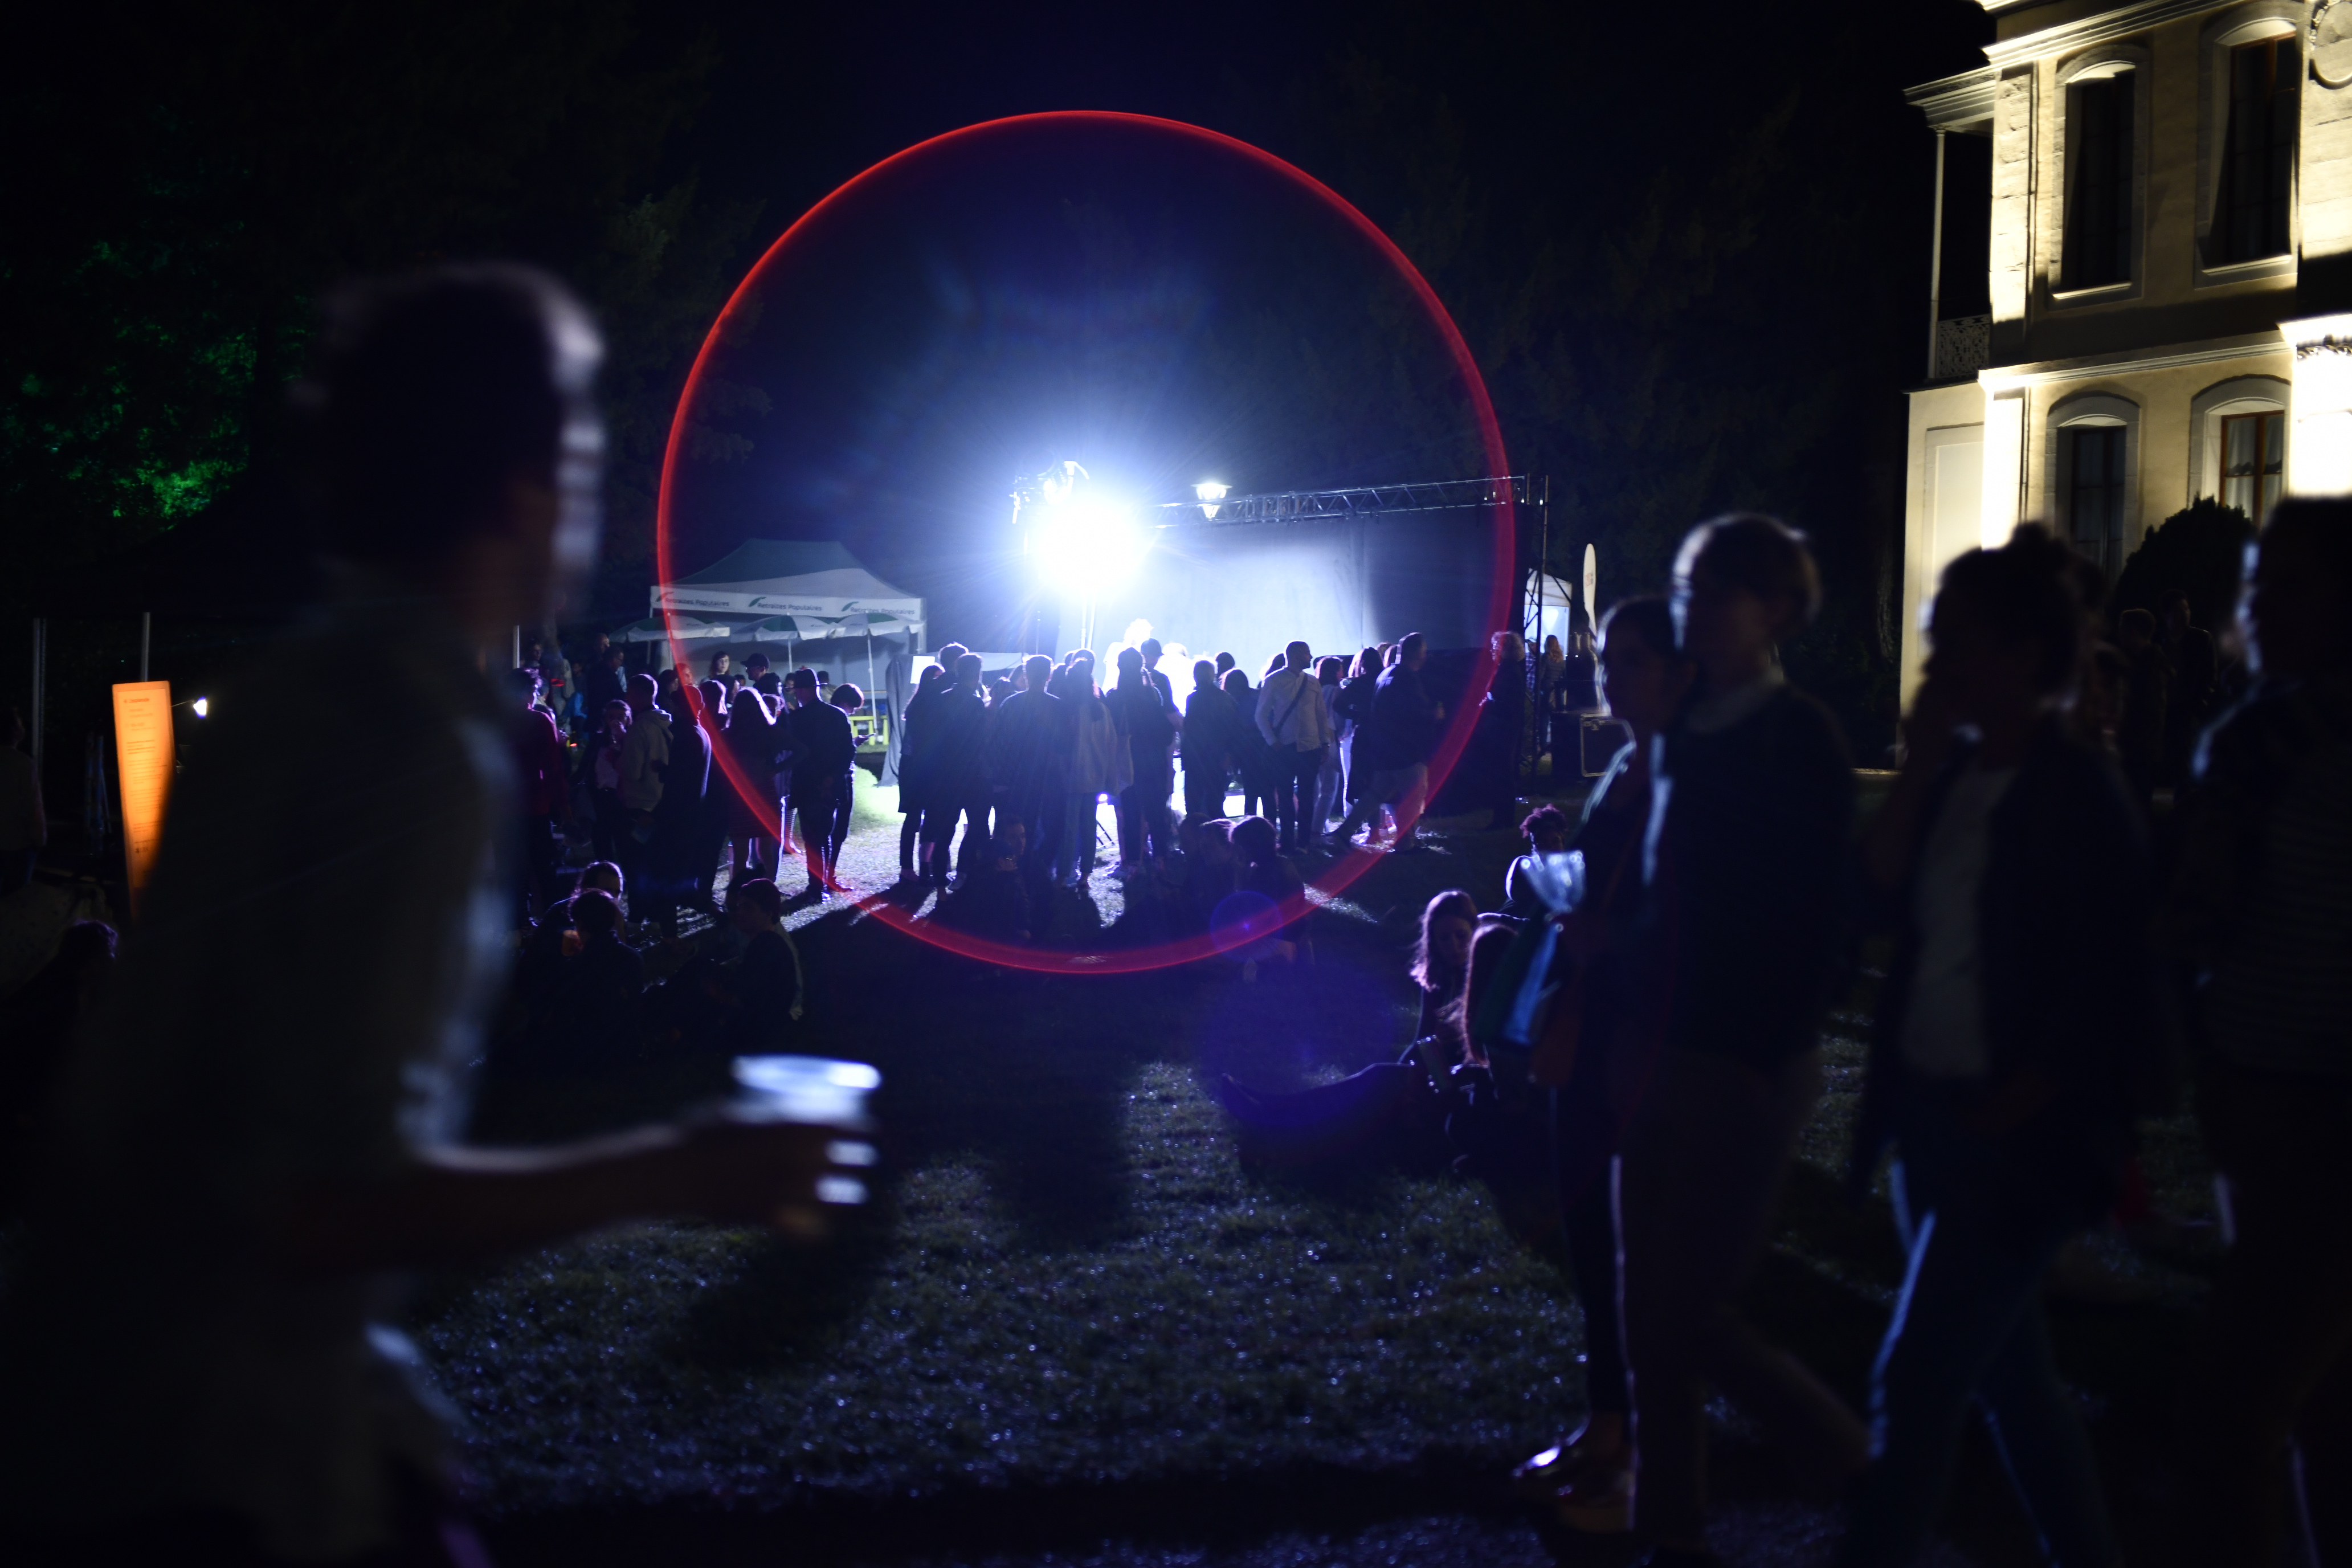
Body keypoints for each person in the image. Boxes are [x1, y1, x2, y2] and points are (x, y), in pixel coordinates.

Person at [0, 265, 855, 1564]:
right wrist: (683, 1169)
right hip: (206, 1469)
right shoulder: (411, 742)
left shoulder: (296, 696)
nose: (588, 502)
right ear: (516, 489)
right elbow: (317, 1200)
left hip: (109, 1408)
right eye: (578, 459)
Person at [1838, 529, 2169, 1568]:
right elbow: (1868, 900)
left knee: (1914, 1379)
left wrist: (2010, 1109)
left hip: (2017, 1142)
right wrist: (1918, 766)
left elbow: (2108, 988)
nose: (1936, 665)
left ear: (2024, 655)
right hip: (1934, 1124)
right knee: (2013, 1383)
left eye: (1955, 643)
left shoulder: (2080, 794)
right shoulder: (1953, 777)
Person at [1612, 515, 1869, 1566]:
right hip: (1659, 1046)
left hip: (1742, 1060)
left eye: (1720, 590)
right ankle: (1669, 1526)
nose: (1699, 609)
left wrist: (1769, 1046)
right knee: (1645, 1310)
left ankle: (1848, 1456)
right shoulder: (1685, 725)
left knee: (1688, 1309)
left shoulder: (1797, 735)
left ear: (1778, 609)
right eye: (1689, 589)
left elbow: (1823, 912)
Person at [2163, 496, 2352, 1568]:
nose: (2261, 604)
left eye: (2293, 586)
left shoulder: (2277, 743)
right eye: (2256, 582)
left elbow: (2201, 912)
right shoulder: (2264, 730)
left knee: (2230, 1414)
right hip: (2257, 1102)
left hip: (2314, 1123)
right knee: (2323, 1407)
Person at [1510, 595, 1693, 1536]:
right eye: (1607, 659)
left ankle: (1638, 1460)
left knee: (1636, 1254)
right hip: (1583, 1032)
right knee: (1589, 1234)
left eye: (1631, 662)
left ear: (1679, 673)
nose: (1610, 676)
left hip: (1636, 1040)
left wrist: (1604, 935)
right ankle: (1606, 1424)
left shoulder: (1684, 780)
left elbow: (1688, 924)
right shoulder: (1625, 768)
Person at [1217, 889, 1477, 1159]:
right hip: (1433, 1075)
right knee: (1379, 1079)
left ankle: (1276, 1121)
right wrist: (1404, 1070)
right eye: (1444, 938)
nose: (1454, 946)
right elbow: (1420, 1042)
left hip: (1463, 1087)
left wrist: (1460, 1037)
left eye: (1461, 936)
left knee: (1380, 1085)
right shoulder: (1439, 980)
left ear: (1473, 932)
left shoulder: (1482, 977)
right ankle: (1272, 1107)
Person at [1334, 631, 1446, 851]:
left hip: (1385, 749)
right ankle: (1406, 842)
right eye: (1424, 652)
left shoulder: (1386, 674)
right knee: (1413, 795)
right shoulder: (1407, 678)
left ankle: (1344, 833)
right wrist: (1433, 714)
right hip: (1406, 750)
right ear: (1418, 654)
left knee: (1376, 794)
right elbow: (1410, 713)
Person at [986, 655, 1069, 888]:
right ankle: (1036, 870)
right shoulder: (1058, 707)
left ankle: (1010, 869)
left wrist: (1000, 773)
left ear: (1026, 675)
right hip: (1048, 779)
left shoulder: (1011, 704)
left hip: (1015, 778)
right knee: (1049, 829)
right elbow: (1065, 746)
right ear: (1049, 675)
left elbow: (998, 742)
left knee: (1013, 828)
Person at [1055, 655, 1128, 887]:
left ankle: (1063, 874)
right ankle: (1085, 875)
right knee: (1089, 826)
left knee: (1069, 829)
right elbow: (1111, 744)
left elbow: (1062, 746)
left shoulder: (1069, 712)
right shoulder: (1102, 711)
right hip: (1096, 777)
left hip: (1073, 777)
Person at [1256, 639, 1334, 854]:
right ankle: (1289, 843)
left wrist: (1325, 743)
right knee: (1286, 797)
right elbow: (1261, 714)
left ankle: (1303, 843)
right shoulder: (1273, 680)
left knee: (1307, 797)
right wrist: (1273, 742)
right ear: (1296, 655)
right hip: (1286, 747)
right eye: (1307, 653)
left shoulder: (1313, 682)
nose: (1311, 657)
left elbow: (1321, 715)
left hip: (1310, 747)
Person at [508, 666, 571, 924]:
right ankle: (553, 922)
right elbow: (553, 769)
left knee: (513, 871)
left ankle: (518, 925)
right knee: (545, 868)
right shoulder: (539, 721)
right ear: (526, 692)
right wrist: (564, 805)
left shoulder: (497, 722)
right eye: (535, 691)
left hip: (505, 809)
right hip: (535, 806)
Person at [921, 651, 990, 884]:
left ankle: (941, 884)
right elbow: (980, 741)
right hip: (971, 775)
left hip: (945, 776)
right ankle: (966, 874)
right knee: (978, 827)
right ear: (977, 674)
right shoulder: (975, 703)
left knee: (944, 832)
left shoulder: (941, 699)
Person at [785, 668, 855, 895]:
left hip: (806, 784)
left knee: (812, 837)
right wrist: (833, 777)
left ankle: (817, 886)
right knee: (824, 835)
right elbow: (848, 751)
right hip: (829, 785)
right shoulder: (837, 715)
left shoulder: (795, 719)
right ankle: (822, 883)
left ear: (801, 691)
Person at [1110, 647, 1177, 872]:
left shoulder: (1115, 697)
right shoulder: (1152, 695)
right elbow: (1166, 732)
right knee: (1156, 813)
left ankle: (1134, 864)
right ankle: (1161, 860)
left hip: (1128, 761)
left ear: (1120, 667)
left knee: (1130, 814)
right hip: (1154, 761)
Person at [2157, 586, 2218, 788]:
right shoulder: (2158, 640)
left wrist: (2199, 704)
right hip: (2161, 708)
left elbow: (2210, 676)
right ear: (2166, 614)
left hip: (2187, 708)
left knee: (2184, 761)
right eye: (2178, 610)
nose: (2184, 614)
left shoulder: (2202, 639)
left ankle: (2182, 800)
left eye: (2186, 609)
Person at [724, 681, 781, 891]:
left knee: (741, 852)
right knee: (765, 850)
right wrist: (776, 768)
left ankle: (738, 893)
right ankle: (767, 891)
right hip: (764, 792)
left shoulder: (728, 735)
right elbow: (801, 750)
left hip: (740, 795)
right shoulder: (768, 732)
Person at [2114, 606, 2170, 806]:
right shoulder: (2145, 662)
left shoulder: (2150, 666)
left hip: (2140, 751)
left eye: (2122, 628)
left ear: (2134, 632)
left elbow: (2150, 711)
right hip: (2141, 749)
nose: (2119, 633)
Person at [896, 663, 946, 880]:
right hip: (917, 767)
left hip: (915, 766)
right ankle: (910, 868)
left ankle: (917, 867)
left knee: (920, 818)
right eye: (938, 678)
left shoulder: (919, 703)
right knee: (916, 818)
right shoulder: (926, 705)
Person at [1182, 659, 1243, 821]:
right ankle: (1217, 834)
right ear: (1213, 675)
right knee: (1215, 803)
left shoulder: (1193, 699)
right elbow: (1233, 729)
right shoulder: (1225, 698)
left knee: (1194, 805)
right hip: (1217, 758)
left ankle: (1195, 833)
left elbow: (1189, 730)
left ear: (1195, 676)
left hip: (1196, 759)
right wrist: (1229, 755)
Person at [1478, 630, 1529, 827]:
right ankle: (1502, 817)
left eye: (1496, 647)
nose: (1492, 650)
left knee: (1503, 774)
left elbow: (1505, 702)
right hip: (1504, 729)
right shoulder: (1508, 669)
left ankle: (1503, 818)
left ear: (1505, 649)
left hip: (1504, 731)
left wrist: (1488, 704)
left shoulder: (1508, 671)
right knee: (1502, 773)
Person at [2, 704, 50, 896]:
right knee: (17, 898)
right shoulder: (23, 764)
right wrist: (40, 839)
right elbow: (33, 807)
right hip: (17, 845)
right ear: (14, 731)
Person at [1332, 647, 1381, 811]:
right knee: (1384, 778)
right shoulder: (1386, 679)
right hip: (1386, 734)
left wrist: (1357, 715)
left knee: (1363, 778)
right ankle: (1385, 820)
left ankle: (1365, 820)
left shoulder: (1360, 683)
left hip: (1365, 734)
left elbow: (1338, 705)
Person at [1222, 665, 1273, 819]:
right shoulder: (1259, 695)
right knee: (1268, 792)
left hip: (1246, 752)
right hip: (1266, 748)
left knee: (1250, 793)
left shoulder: (1234, 702)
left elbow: (1234, 727)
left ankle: (1249, 824)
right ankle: (1270, 824)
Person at [587, 696, 632, 865]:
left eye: (621, 717)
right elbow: (588, 766)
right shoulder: (599, 740)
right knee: (601, 843)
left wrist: (623, 738)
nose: (616, 721)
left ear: (628, 718)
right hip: (601, 796)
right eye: (611, 717)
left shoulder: (632, 740)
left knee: (624, 844)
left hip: (622, 799)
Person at [1310, 655, 1348, 835]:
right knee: (1329, 789)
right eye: (1341, 669)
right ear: (1336, 672)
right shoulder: (1336, 691)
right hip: (1330, 739)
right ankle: (1317, 831)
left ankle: (1313, 826)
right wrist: (1342, 734)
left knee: (1314, 788)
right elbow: (1339, 719)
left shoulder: (1313, 690)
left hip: (1311, 739)